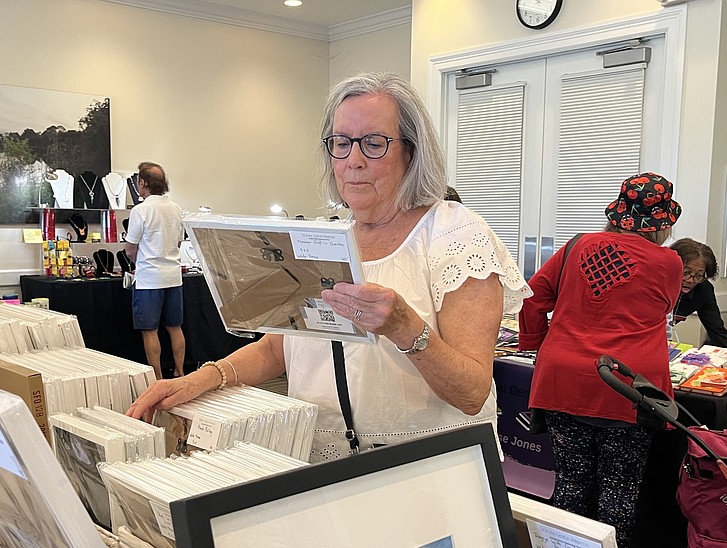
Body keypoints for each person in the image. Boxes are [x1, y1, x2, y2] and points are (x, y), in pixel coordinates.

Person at [127, 72, 531, 460]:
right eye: (341, 142)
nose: (353, 160)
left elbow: (472, 392)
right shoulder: (325, 238)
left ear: (410, 151)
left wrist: (405, 327)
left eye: (374, 143)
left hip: (427, 470)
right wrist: (200, 379)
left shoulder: (454, 233)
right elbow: (281, 348)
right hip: (324, 465)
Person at [518, 172, 683, 548]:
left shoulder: (576, 246)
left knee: (571, 480)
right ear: (662, 221)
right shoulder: (668, 263)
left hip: (563, 378)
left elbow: (533, 296)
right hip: (626, 387)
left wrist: (537, 346)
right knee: (619, 489)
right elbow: (664, 307)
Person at [124, 162, 185, 380]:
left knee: (150, 330)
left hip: (149, 279)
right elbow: (178, 243)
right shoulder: (176, 208)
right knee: (175, 328)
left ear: (142, 183)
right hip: (173, 276)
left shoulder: (141, 210)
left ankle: (158, 378)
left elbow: (130, 249)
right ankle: (180, 371)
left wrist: (137, 259)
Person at [669, 238, 727, 349]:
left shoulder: (703, 290)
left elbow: (717, 330)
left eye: (698, 275)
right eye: (686, 273)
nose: (691, 280)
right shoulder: (657, 283)